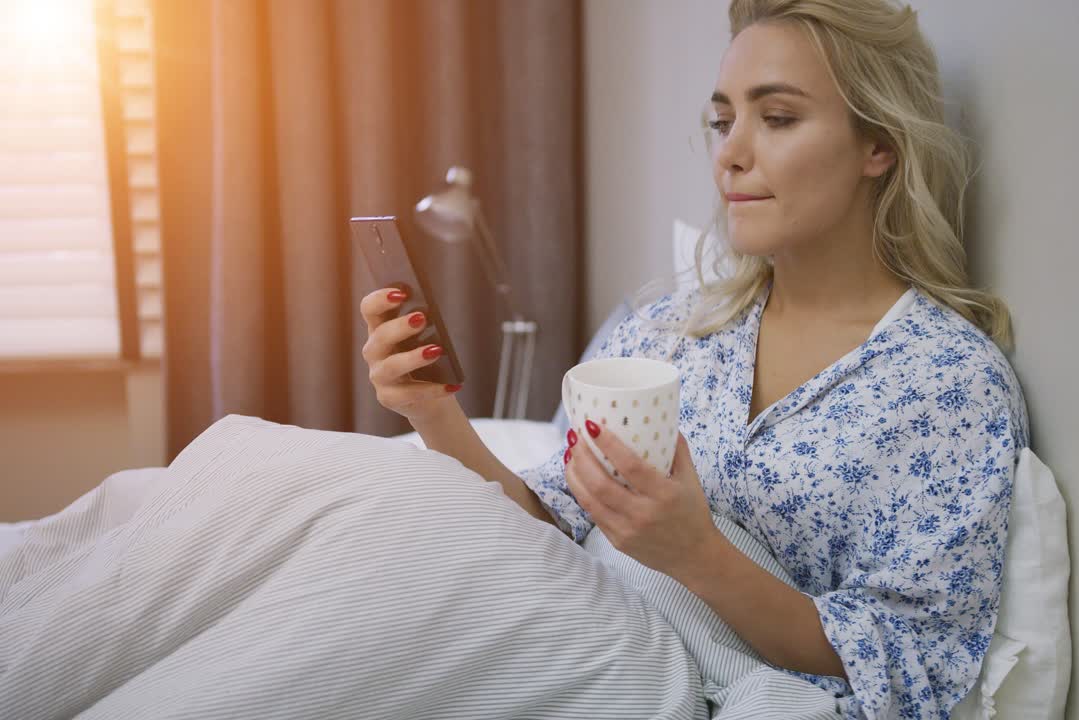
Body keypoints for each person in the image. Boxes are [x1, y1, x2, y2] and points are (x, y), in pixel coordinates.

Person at [360, 0, 1028, 717]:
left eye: (776, 119)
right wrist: (432, 410)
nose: (731, 153)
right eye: (723, 121)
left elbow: (907, 663)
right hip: (573, 650)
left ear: (879, 145)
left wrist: (698, 557)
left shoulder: (949, 384)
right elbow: (554, 521)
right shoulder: (673, 328)